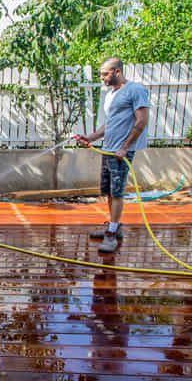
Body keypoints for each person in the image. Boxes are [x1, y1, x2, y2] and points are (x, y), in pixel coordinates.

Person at [73, 57, 149, 253]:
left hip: (120, 153)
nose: (102, 78)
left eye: (105, 74)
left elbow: (141, 121)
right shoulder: (111, 95)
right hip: (108, 150)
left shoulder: (135, 90)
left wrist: (124, 148)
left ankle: (112, 234)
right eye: (101, 74)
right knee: (108, 190)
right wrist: (90, 137)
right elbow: (110, 124)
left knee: (117, 192)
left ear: (117, 72)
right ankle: (114, 226)